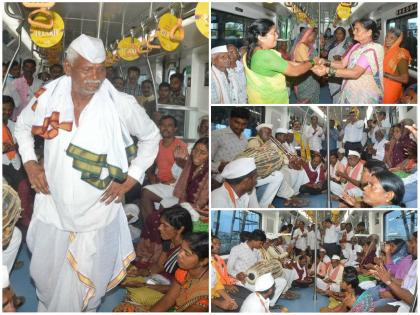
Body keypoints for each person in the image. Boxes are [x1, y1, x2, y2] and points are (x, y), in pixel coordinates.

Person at [14, 34, 161, 311]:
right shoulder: (47, 96)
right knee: (46, 278)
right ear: (68, 68)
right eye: (87, 69)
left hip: (98, 211)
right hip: (53, 206)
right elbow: (21, 127)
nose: (95, 76)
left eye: (101, 69)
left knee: (87, 285)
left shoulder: (121, 103)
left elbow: (151, 136)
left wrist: (132, 177)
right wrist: (31, 163)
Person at [120, 206, 193, 309]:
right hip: (157, 280)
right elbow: (159, 265)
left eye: (165, 226)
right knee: (123, 275)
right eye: (160, 224)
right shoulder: (169, 241)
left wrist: (146, 285)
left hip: (169, 291)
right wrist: (141, 272)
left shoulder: (188, 252)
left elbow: (183, 287)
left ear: (180, 229)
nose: (159, 228)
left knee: (137, 296)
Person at [244, 19, 318, 104]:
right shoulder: (264, 56)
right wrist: (313, 62)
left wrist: (304, 63)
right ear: (261, 37)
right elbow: (295, 71)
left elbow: (289, 63)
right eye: (273, 33)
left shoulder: (256, 52)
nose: (277, 36)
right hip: (270, 100)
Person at [313, 19, 384, 104]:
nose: (353, 32)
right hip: (350, 89)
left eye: (357, 29)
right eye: (354, 29)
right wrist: (325, 61)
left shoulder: (374, 49)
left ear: (369, 32)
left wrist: (327, 70)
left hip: (364, 94)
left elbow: (355, 73)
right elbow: (342, 64)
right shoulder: (356, 46)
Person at [140, 117, 190, 218]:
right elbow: (151, 163)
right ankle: (151, 227)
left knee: (145, 193)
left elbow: (187, 171)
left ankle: (151, 226)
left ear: (175, 129)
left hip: (174, 186)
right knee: (140, 191)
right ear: (159, 127)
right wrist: (151, 176)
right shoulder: (156, 144)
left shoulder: (181, 146)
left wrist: (171, 182)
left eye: (170, 125)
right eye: (163, 125)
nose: (165, 128)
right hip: (159, 183)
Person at [149, 232, 209, 312]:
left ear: (204, 261)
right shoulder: (182, 272)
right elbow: (168, 300)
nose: (179, 254)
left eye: (187, 254)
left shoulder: (205, 292)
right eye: (181, 249)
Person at [227, 229, 287, 308]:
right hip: (244, 280)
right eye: (260, 243)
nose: (261, 245)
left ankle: (270, 304)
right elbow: (228, 269)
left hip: (258, 277)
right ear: (254, 240)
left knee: (282, 281)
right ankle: (264, 304)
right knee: (266, 288)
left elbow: (260, 264)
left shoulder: (256, 250)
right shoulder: (236, 249)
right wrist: (237, 275)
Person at [371, 232, 417, 312]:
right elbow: (402, 281)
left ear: (400, 247)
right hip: (391, 290)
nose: (409, 244)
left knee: (371, 308)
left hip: (396, 295)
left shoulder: (405, 259)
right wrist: (387, 278)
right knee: (366, 299)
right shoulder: (409, 258)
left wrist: (388, 281)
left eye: (412, 242)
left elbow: (392, 271)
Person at [211, 235, 251, 312]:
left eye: (219, 244)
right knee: (243, 304)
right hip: (217, 293)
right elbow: (216, 283)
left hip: (228, 285)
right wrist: (226, 287)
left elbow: (226, 275)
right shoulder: (208, 263)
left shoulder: (219, 259)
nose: (218, 246)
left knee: (250, 295)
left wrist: (237, 278)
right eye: (215, 243)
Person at [211, 107, 249, 182]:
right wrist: (218, 167)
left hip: (240, 177)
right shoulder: (217, 135)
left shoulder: (245, 139)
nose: (240, 127)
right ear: (230, 120)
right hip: (221, 179)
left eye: (243, 124)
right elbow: (205, 161)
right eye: (237, 122)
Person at [290, 27, 320, 103]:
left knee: (311, 97)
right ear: (306, 35)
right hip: (305, 76)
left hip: (310, 75)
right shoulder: (301, 46)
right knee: (305, 97)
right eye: (312, 35)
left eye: (314, 36)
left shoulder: (309, 46)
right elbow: (307, 63)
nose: (313, 38)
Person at [383, 28, 411, 104]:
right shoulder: (384, 51)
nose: (387, 39)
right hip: (382, 87)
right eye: (387, 36)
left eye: (392, 38)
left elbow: (405, 79)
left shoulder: (400, 54)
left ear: (398, 40)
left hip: (391, 90)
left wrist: (384, 74)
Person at [328, 27, 348, 103]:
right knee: (333, 92)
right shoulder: (333, 44)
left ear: (344, 35)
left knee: (340, 94)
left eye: (340, 33)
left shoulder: (347, 45)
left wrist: (340, 58)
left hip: (341, 72)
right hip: (331, 70)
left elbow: (351, 60)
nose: (338, 35)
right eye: (336, 33)